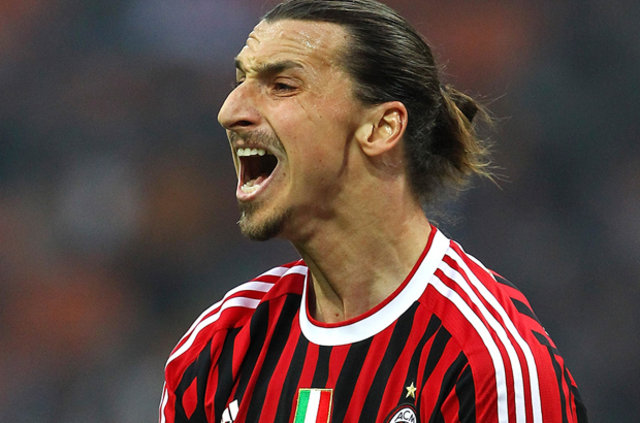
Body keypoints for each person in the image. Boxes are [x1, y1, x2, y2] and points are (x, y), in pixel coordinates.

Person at [159, 0, 588, 422]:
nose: (230, 112)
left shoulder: (486, 364)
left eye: (283, 86)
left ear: (382, 128)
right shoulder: (218, 348)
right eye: (240, 82)